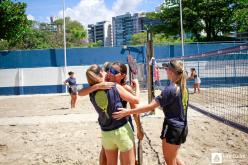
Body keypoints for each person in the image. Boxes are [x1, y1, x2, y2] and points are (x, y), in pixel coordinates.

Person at [113, 60, 189, 165]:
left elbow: (149, 107)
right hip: (182, 127)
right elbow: (175, 106)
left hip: (172, 129)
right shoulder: (183, 87)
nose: (165, 70)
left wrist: (128, 111)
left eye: (167, 68)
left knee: (170, 161)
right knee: (175, 156)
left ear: (171, 71)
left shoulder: (170, 90)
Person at [79, 62, 144, 165]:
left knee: (126, 159)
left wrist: (139, 128)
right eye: (109, 70)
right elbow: (136, 101)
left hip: (114, 127)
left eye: (113, 71)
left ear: (122, 75)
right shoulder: (105, 84)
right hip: (116, 127)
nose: (110, 73)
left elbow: (135, 110)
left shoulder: (123, 87)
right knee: (106, 158)